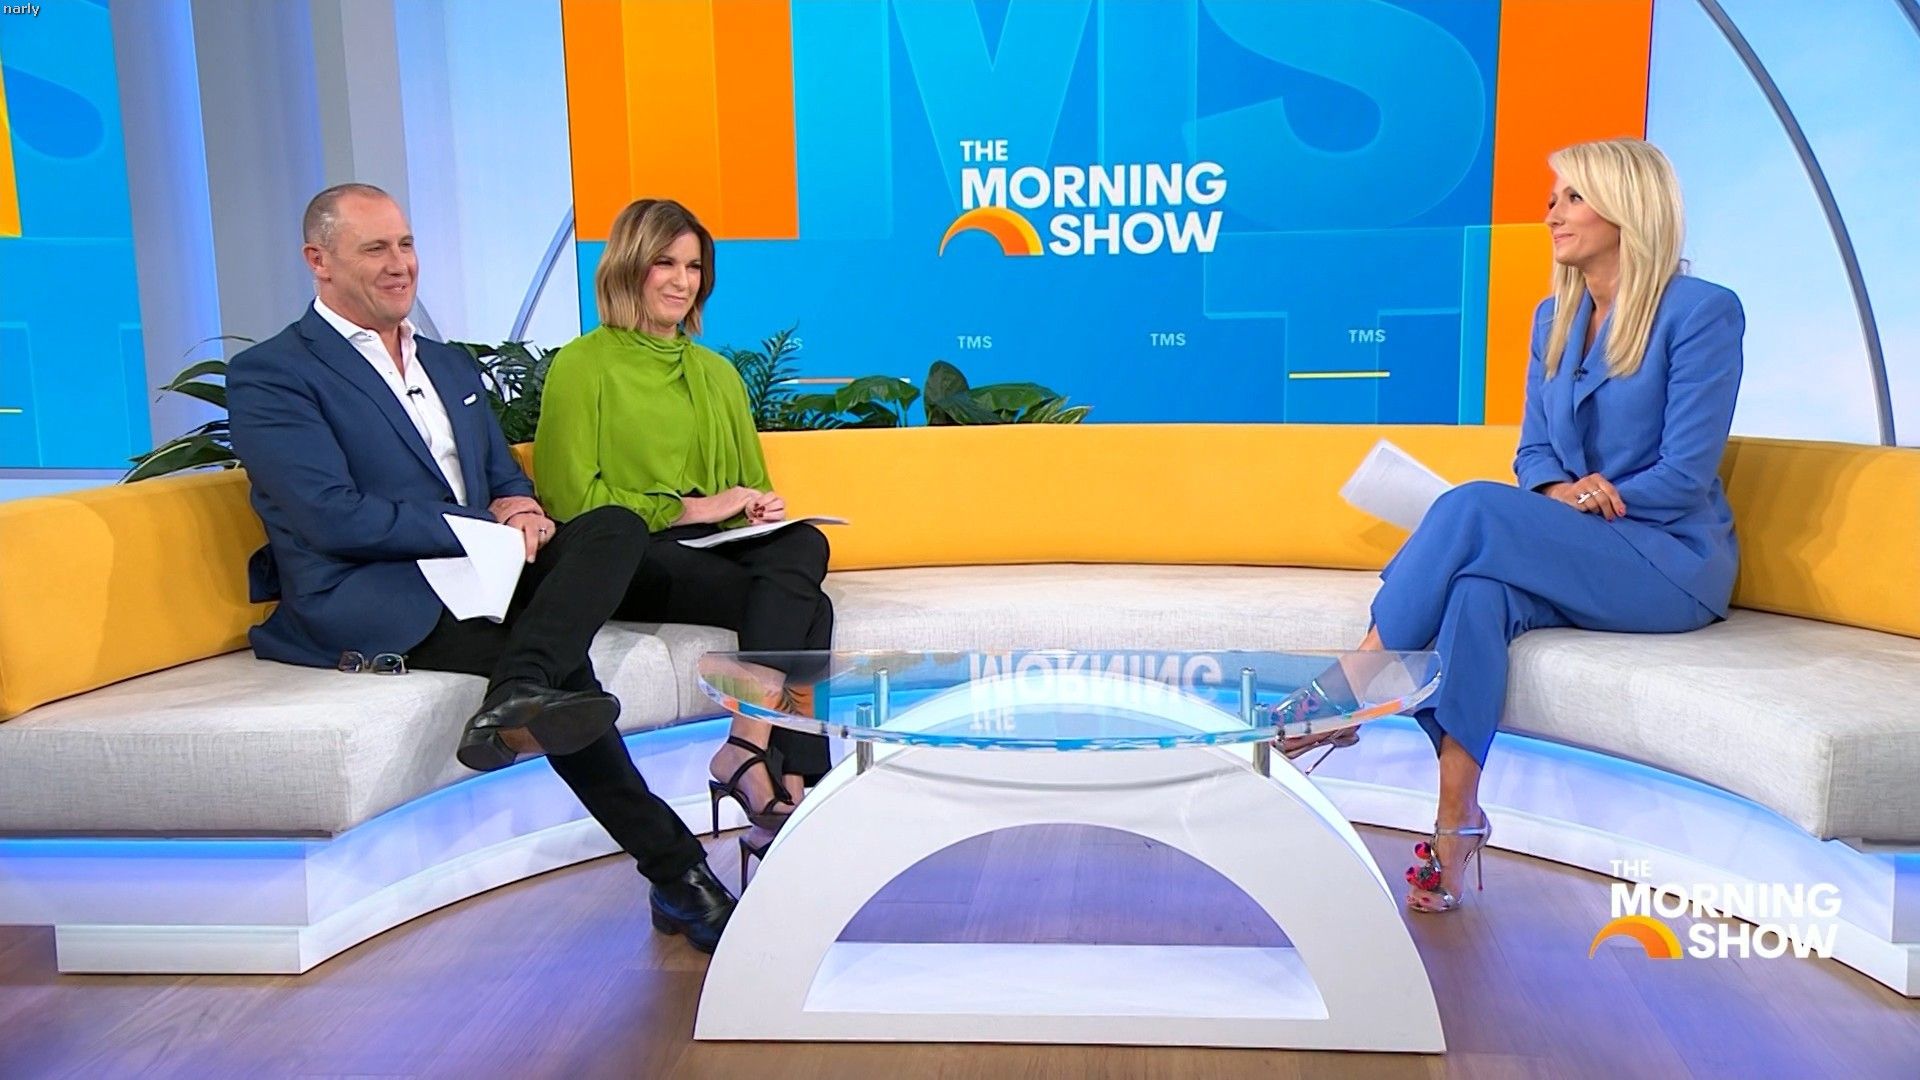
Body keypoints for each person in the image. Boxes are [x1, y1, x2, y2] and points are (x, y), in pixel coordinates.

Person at [227, 183, 735, 951]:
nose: (400, 264)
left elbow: (499, 472)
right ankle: (680, 875)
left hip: (485, 567)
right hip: (377, 587)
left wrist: (520, 507)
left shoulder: (447, 363)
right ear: (318, 261)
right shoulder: (275, 373)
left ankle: (517, 690)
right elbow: (329, 514)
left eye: (406, 245)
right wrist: (475, 528)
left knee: (615, 527)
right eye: (375, 249)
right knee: (563, 673)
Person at [1294, 138, 1743, 913]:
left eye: (1573, 197)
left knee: (1471, 505)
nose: (1552, 213)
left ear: (1627, 208)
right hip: (1581, 543)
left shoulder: (1702, 312)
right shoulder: (1554, 318)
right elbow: (1533, 452)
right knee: (1477, 592)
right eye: (1553, 198)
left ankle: (1347, 687)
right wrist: (1561, 492)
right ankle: (1456, 819)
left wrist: (1588, 501)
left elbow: (1685, 472)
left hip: (1666, 559)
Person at [535, 198, 833, 834]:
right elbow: (570, 501)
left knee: (803, 546)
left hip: (708, 547)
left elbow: (747, 487)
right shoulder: (582, 365)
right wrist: (693, 508)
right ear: (629, 267)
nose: (682, 281)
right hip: (627, 555)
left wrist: (756, 509)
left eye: (694, 267)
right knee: (810, 607)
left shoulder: (717, 374)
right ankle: (790, 775)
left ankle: (752, 752)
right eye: (664, 263)